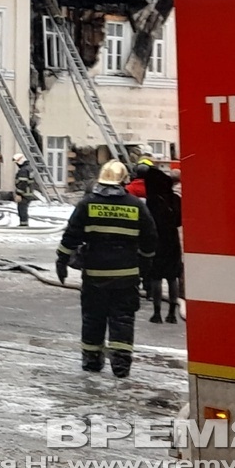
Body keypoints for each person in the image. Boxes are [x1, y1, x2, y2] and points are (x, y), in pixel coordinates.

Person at [56, 160, 158, 378]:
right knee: (122, 319)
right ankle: (121, 365)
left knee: (93, 318)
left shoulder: (87, 204)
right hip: (127, 276)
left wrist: (62, 261)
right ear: (123, 181)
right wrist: (146, 267)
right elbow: (150, 240)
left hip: (95, 276)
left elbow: (71, 236)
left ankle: (92, 361)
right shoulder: (136, 205)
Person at [141, 158, 183, 324]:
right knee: (172, 277)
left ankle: (157, 313)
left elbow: (147, 223)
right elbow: (180, 221)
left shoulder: (152, 201)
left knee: (156, 277)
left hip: (157, 241)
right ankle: (172, 313)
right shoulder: (175, 199)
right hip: (172, 241)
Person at [13, 153, 36, 226]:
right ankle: (24, 223)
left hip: (24, 193)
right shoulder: (29, 168)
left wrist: (18, 194)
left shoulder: (23, 170)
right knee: (23, 209)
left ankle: (23, 225)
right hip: (29, 192)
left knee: (22, 209)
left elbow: (22, 183)